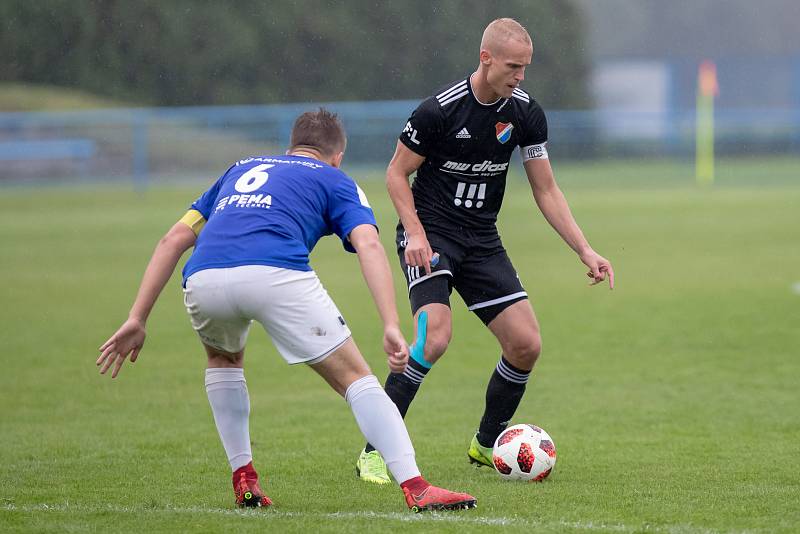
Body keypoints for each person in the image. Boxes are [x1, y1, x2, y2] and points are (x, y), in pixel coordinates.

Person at [96, 109, 477, 512]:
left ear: (291, 147)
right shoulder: (335, 179)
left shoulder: (239, 168)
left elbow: (174, 238)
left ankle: (244, 478)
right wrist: (389, 322)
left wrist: (137, 318)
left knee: (223, 359)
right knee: (354, 377)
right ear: (338, 155)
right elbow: (367, 244)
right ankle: (416, 485)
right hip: (275, 274)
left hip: (204, 278)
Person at [355, 18, 615, 484]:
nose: (520, 76)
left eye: (526, 68)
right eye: (513, 66)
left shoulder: (525, 113)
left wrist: (585, 249)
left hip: (481, 239)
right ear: (486, 58)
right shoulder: (438, 111)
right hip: (431, 234)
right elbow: (396, 174)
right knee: (434, 336)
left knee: (525, 344)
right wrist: (414, 233)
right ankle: (375, 451)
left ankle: (486, 441)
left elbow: (547, 190)